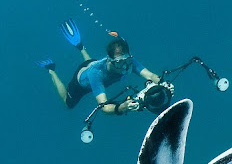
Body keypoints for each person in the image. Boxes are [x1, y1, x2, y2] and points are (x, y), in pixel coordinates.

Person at [36, 18, 169, 115]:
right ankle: (51, 70)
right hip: (81, 82)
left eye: (127, 59)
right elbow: (104, 106)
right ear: (110, 60)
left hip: (92, 65)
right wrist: (122, 107)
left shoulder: (128, 62)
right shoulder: (96, 74)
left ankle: (80, 47)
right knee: (68, 104)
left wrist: (164, 83)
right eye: (119, 62)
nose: (124, 65)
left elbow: (150, 75)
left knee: (92, 63)